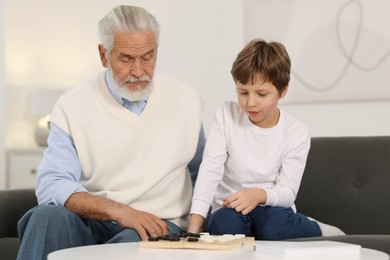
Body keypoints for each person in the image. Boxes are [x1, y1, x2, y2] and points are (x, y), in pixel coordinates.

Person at [17, 5, 205, 260]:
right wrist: (118, 211)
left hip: (158, 223)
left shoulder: (185, 99)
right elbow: (52, 183)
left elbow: (204, 173)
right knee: (45, 218)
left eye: (148, 57)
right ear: (104, 55)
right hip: (92, 219)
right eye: (126, 59)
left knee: (133, 241)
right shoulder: (71, 107)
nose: (139, 71)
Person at [187, 39, 322, 240]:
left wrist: (258, 194)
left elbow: (287, 192)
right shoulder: (226, 114)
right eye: (243, 92)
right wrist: (193, 229)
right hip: (231, 209)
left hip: (273, 208)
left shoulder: (296, 132)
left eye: (261, 94)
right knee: (223, 223)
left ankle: (319, 229)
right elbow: (210, 169)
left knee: (274, 225)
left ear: (282, 90)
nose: (250, 103)